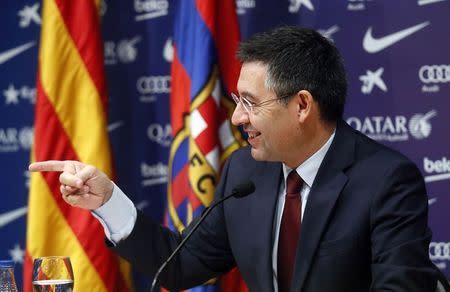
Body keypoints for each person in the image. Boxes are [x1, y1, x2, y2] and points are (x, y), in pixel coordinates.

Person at [29, 26, 438, 292]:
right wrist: (106, 201)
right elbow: (180, 264)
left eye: (250, 102)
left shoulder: (386, 180)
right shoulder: (246, 172)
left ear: (302, 105)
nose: (237, 117)